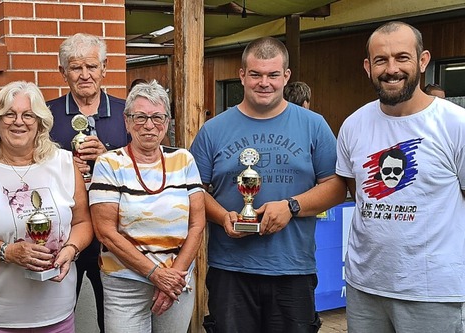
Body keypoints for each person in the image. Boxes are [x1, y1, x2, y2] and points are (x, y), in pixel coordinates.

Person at [189, 37, 347, 333]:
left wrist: (292, 207)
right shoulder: (213, 130)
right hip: (231, 269)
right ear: (242, 76)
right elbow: (194, 190)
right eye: (256, 74)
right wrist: (223, 216)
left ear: (286, 76)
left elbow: (337, 186)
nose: (264, 83)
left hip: (292, 268)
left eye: (273, 75)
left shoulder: (314, 125)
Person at [336, 21, 465, 333]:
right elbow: (354, 190)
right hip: (365, 288)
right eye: (381, 60)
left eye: (402, 58)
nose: (391, 69)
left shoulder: (455, 124)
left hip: (433, 292)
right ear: (368, 67)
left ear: (423, 61)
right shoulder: (353, 125)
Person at [0, 80, 93, 332]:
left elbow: (82, 221)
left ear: (40, 122)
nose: (19, 121)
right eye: (9, 114)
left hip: (58, 311)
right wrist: (7, 252)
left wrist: (71, 249)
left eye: (28, 115)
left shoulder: (63, 163)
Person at [89, 80, 205, 332]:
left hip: (177, 279)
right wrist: (156, 275)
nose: (149, 125)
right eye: (140, 117)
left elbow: (197, 225)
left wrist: (174, 276)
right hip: (125, 284)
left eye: (157, 117)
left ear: (167, 121)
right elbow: (105, 231)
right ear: (127, 121)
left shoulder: (184, 159)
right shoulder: (109, 163)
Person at [46, 32, 129, 332]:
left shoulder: (127, 113)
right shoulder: (45, 114)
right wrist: (64, 166)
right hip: (64, 234)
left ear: (104, 68)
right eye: (75, 67)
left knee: (115, 317)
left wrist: (107, 158)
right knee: (56, 313)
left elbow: (147, 169)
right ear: (62, 72)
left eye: (91, 67)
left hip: (116, 234)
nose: (84, 75)